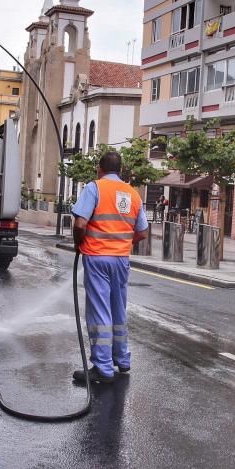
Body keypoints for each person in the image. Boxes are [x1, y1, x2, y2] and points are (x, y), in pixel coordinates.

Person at [71, 151, 149, 384]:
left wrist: (79, 244)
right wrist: (122, 242)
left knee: (99, 312)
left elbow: (80, 222)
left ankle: (103, 368)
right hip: (121, 260)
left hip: (97, 257)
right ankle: (122, 359)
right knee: (118, 309)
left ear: (99, 168)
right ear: (121, 169)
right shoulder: (133, 194)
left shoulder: (95, 187)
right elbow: (143, 232)